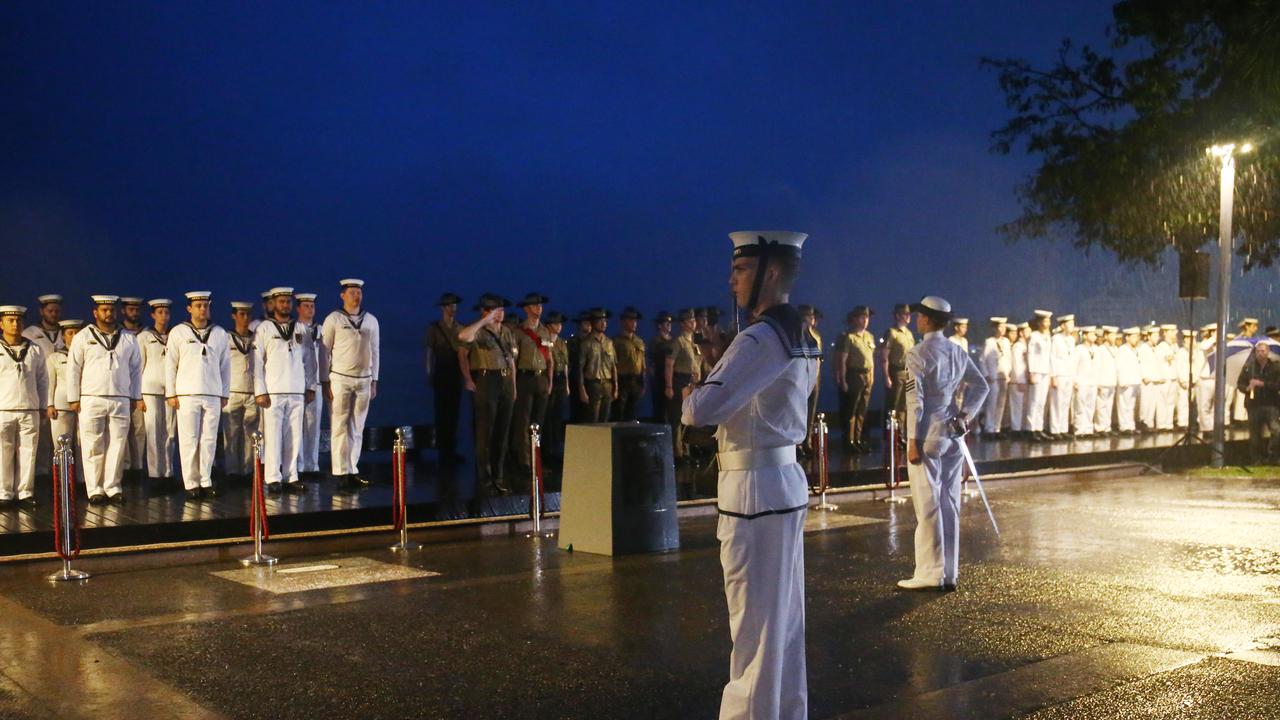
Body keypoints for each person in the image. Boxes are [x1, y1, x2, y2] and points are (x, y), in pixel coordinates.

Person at [682, 230, 818, 720]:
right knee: (781, 624)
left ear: (771, 273)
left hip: (753, 490)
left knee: (753, 627)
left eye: (741, 270)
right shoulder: (800, 332)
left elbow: (702, 410)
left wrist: (701, 383)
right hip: (780, 483)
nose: (732, 279)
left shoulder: (759, 336)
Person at [898, 295, 988, 592]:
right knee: (949, 503)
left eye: (919, 316)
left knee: (927, 507)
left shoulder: (917, 353)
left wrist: (912, 441)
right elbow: (981, 386)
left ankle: (930, 572)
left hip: (927, 436)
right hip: (952, 433)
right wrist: (965, 414)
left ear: (925, 320)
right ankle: (949, 572)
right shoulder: (956, 351)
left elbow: (915, 402)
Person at [67, 295, 143, 505]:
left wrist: (136, 396)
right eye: (104, 310)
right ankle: (94, 489)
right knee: (93, 444)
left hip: (120, 398)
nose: (108, 313)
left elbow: (136, 370)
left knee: (118, 444)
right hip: (92, 397)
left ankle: (113, 486)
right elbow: (73, 368)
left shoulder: (128, 338)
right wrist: (73, 397)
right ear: (95, 313)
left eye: (111, 310)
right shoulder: (83, 337)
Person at [166, 291, 231, 499]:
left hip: (212, 392)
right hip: (187, 393)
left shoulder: (219, 333)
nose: (203, 309)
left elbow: (225, 366)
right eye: (199, 305)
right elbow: (170, 365)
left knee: (209, 439)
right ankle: (191, 482)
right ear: (189, 309)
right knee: (189, 439)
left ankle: (206, 479)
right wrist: (171, 393)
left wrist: (224, 392)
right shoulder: (178, 332)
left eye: (205, 305)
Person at [253, 287, 315, 495]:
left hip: (297, 390)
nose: (285, 305)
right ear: (273, 304)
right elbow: (257, 362)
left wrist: (310, 386)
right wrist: (260, 390)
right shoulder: (264, 329)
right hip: (274, 392)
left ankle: (291, 476)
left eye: (288, 302)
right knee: (273, 436)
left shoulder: (301, 329)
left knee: (294, 436)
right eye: (281, 302)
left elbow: (310, 361)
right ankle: (272, 478)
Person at [321, 279, 380, 491]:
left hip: (363, 379)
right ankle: (339, 473)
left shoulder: (371, 320)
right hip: (340, 378)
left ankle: (352, 469)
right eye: (353, 292)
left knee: (357, 427)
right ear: (343, 295)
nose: (357, 296)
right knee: (339, 425)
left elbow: (375, 350)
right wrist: (324, 380)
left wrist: (375, 379)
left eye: (359, 292)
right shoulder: (334, 319)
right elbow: (324, 351)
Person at [458, 293, 517, 494]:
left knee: (503, 430)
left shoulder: (507, 332)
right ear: (485, 311)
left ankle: (498, 476)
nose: (500, 314)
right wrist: (484, 320)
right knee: (485, 430)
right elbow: (463, 338)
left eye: (501, 310)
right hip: (487, 380)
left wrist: (514, 386)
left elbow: (511, 361)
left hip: (505, 380)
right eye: (495, 310)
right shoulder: (480, 331)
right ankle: (484, 476)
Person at [0, 305, 51, 508]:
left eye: (19, 320)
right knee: (3, 452)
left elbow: (43, 380)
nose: (15, 324)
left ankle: (25, 492)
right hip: (3, 409)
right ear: (1, 323)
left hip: (30, 409)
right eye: (11, 320)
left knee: (29, 452)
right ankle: (4, 492)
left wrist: (43, 405)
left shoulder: (35, 349)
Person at [511, 292, 554, 480]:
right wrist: (513, 385)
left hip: (541, 379)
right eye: (535, 305)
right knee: (523, 422)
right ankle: (525, 462)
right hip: (525, 379)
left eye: (540, 305)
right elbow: (513, 359)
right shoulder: (518, 332)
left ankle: (537, 460)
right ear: (527, 309)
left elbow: (550, 359)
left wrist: (550, 381)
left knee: (539, 421)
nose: (539, 308)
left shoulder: (545, 332)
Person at [23, 294, 63, 478]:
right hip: (39, 388)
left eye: (56, 310)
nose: (54, 314)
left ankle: (58, 474)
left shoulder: (66, 331)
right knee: (40, 437)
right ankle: (40, 474)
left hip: (61, 390)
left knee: (59, 437)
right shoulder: (30, 333)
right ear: (41, 311)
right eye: (50, 311)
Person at [138, 298, 176, 484]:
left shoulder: (175, 335)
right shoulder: (144, 337)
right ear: (153, 314)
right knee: (153, 431)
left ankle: (168, 472)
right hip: (150, 390)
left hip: (170, 390)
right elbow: (138, 368)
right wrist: (138, 396)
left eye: (167, 313)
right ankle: (154, 474)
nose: (164, 316)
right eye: (160, 313)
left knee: (170, 432)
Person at [425, 292, 464, 463]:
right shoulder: (434, 328)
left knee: (454, 412)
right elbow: (429, 353)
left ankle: (451, 449)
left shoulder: (460, 328)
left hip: (455, 372)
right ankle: (443, 451)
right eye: (449, 305)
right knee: (441, 412)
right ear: (443, 308)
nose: (452, 308)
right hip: (441, 371)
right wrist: (429, 373)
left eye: (454, 305)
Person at [222, 301, 258, 480]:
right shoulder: (226, 338)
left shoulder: (256, 338)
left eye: (248, 315)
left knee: (251, 435)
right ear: (233, 316)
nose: (245, 318)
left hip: (252, 391)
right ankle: (232, 471)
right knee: (231, 433)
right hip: (232, 391)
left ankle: (248, 470)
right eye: (241, 314)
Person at [834, 306, 875, 452]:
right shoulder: (849, 337)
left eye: (867, 317)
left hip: (867, 375)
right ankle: (848, 440)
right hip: (854, 375)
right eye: (862, 317)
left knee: (862, 410)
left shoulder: (869, 336)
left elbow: (871, 359)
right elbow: (842, 360)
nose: (865, 320)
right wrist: (843, 380)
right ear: (855, 319)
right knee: (851, 410)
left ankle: (857, 438)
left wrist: (872, 376)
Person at [46, 319, 84, 470]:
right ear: (63, 336)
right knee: (61, 444)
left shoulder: (86, 355)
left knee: (84, 445)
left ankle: (83, 481)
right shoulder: (55, 357)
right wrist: (49, 404)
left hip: (83, 404)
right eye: (70, 333)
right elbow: (49, 383)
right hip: (61, 405)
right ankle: (63, 479)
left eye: (77, 333)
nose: (74, 336)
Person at [666, 308, 702, 466]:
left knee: (688, 418)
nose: (693, 323)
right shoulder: (678, 342)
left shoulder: (693, 342)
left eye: (694, 320)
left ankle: (687, 450)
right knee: (677, 418)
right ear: (683, 324)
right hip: (679, 381)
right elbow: (669, 363)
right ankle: (677, 452)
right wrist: (668, 385)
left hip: (692, 382)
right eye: (690, 320)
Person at [295, 292, 324, 480]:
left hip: (318, 383)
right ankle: (297, 466)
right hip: (297, 383)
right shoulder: (293, 329)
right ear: (298, 308)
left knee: (314, 426)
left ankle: (312, 466)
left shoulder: (321, 329)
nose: (310, 309)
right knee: (297, 426)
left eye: (312, 306)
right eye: (306, 306)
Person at [1236, 341, 1280, 464]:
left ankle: (1273, 456)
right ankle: (1257, 459)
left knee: (1276, 431)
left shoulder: (1275, 367)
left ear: (1268, 352)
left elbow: (1278, 385)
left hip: (1271, 404)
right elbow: (1240, 384)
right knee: (1255, 435)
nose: (1260, 354)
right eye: (1258, 351)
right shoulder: (1249, 367)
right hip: (1254, 404)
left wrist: (1262, 384)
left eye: (1263, 351)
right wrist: (1247, 388)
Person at [120, 296, 147, 475]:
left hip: (139, 389)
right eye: (131, 309)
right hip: (121, 388)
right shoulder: (119, 334)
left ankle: (137, 467)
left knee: (139, 430)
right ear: (123, 311)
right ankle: (124, 467)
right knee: (121, 431)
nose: (134, 313)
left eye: (137, 309)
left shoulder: (145, 334)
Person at [879, 303, 915, 430]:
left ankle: (900, 433)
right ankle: (890, 434)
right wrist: (886, 376)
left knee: (905, 405)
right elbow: (884, 356)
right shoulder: (892, 333)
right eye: (905, 314)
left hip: (909, 373)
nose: (908, 317)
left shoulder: (909, 334)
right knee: (893, 405)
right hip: (896, 371)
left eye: (909, 314)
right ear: (898, 316)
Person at [578, 308, 618, 423]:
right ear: (593, 323)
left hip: (607, 384)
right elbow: (580, 368)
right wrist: (582, 389)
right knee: (593, 419)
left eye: (605, 321)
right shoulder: (586, 343)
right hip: (593, 384)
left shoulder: (609, 342)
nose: (603, 323)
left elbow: (613, 365)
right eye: (600, 320)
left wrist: (616, 386)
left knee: (605, 419)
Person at [543, 311, 570, 460]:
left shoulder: (561, 342)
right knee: (548, 414)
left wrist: (566, 384)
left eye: (560, 323)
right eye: (556, 323)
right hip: (548, 377)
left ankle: (556, 447)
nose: (559, 326)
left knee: (558, 414)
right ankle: (548, 449)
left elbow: (565, 364)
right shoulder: (546, 341)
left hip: (560, 379)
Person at [613, 307, 647, 422]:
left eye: (635, 321)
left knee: (632, 414)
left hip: (635, 381)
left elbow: (643, 363)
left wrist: (643, 382)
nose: (634, 323)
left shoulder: (639, 341)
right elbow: (613, 364)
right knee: (619, 413)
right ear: (623, 322)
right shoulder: (616, 341)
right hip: (622, 381)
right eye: (631, 320)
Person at [979, 317, 1010, 437]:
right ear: (995, 328)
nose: (1003, 329)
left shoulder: (1006, 342)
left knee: (1001, 403)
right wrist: (986, 374)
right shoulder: (990, 342)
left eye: (1004, 327)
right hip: (993, 376)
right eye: (1000, 327)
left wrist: (1008, 373)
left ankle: (997, 427)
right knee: (992, 402)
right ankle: (989, 427)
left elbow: (1009, 359)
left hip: (1003, 375)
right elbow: (982, 360)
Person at [1025, 310, 1053, 440]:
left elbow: (1049, 356)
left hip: (1045, 371)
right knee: (1034, 401)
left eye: (1048, 321)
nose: (1048, 323)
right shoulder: (1034, 336)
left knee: (1042, 401)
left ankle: (1039, 428)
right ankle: (1031, 429)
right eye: (1045, 321)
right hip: (1036, 371)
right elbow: (1031, 354)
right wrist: (1031, 372)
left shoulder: (1048, 336)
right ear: (1040, 322)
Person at [1048, 314, 1075, 438]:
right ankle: (1055, 430)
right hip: (1059, 374)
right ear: (1063, 325)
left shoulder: (1071, 340)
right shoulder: (1056, 339)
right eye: (1070, 324)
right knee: (1056, 403)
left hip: (1068, 374)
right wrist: (1053, 376)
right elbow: (1052, 358)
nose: (1072, 326)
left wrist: (1073, 377)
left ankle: (1063, 429)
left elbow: (1072, 359)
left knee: (1065, 403)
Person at [648, 311, 676, 422]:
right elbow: (651, 362)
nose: (669, 325)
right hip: (659, 378)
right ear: (659, 325)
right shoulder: (655, 341)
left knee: (671, 410)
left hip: (672, 378)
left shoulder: (674, 341)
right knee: (660, 409)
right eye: (666, 323)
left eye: (670, 323)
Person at [1115, 327, 1143, 435]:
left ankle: (1130, 426)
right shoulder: (1123, 349)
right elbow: (1120, 366)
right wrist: (1122, 381)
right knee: (1124, 405)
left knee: (1131, 405)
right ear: (1127, 338)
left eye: (1137, 337)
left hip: (1134, 381)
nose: (1136, 339)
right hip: (1126, 382)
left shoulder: (1136, 350)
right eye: (1134, 337)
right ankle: (1124, 426)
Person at [1071, 327, 1098, 437]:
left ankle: (1088, 429)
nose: (1094, 336)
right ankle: (1079, 429)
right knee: (1080, 407)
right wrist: (1075, 380)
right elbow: (1073, 366)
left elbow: (1098, 367)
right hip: (1081, 381)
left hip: (1092, 382)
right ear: (1085, 336)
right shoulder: (1079, 349)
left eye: (1094, 334)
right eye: (1091, 334)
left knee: (1090, 407)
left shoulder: (1096, 349)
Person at [1093, 326, 1119, 436]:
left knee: (1109, 405)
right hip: (1103, 381)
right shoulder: (1100, 349)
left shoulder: (1116, 349)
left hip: (1112, 381)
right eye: (1111, 335)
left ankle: (1107, 427)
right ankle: (1100, 427)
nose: (1114, 337)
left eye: (1115, 335)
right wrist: (1097, 381)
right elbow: (1097, 367)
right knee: (1101, 405)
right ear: (1106, 336)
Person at [1007, 323, 1029, 438]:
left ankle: (1022, 428)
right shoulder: (1018, 346)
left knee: (1023, 406)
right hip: (1017, 381)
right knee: (1017, 406)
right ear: (1021, 333)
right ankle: (1016, 429)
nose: (1029, 334)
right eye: (1027, 331)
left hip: (1025, 380)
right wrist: (1020, 380)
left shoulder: (1026, 346)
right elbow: (1017, 365)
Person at [1196, 324, 1218, 437]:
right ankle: (1206, 429)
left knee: (1216, 406)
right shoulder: (1204, 343)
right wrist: (1214, 337)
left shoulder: (1219, 345)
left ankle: (1213, 428)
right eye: (1214, 331)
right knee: (1204, 406)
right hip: (1205, 379)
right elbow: (1205, 346)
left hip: (1216, 379)